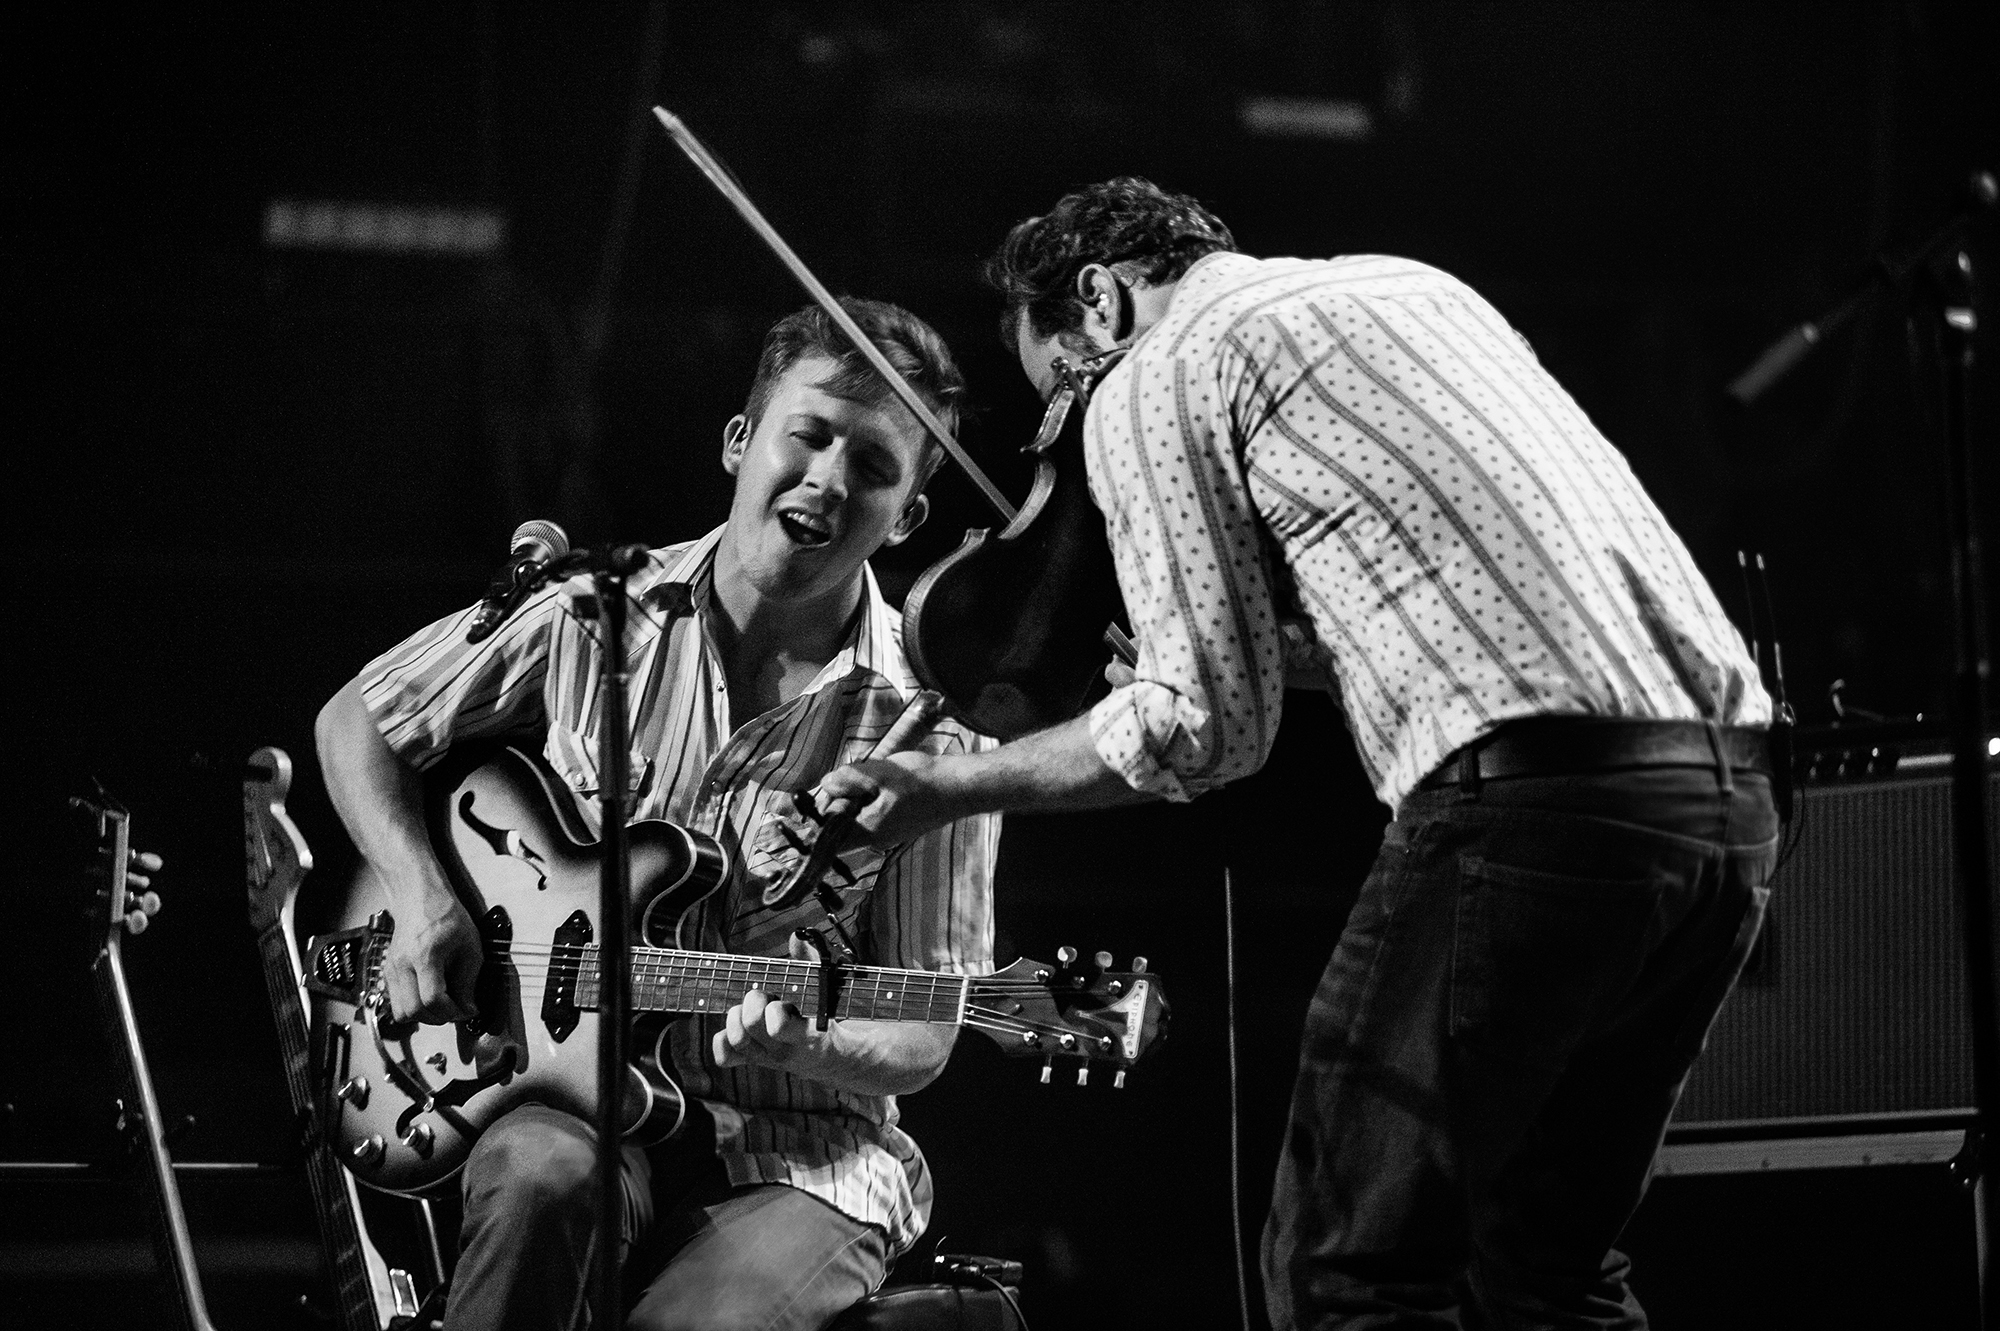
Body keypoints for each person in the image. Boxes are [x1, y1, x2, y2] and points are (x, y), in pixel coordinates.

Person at [816, 178, 1779, 1329]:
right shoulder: (1410, 288)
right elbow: (1447, 582)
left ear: (1099, 299)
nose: (1073, 423)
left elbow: (1198, 732)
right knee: (1545, 1271)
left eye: (1061, 384)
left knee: (1347, 1269)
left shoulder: (1158, 370)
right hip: (1726, 800)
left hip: (1531, 807)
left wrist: (942, 787)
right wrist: (1247, 642)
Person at [316, 297, 999, 1331]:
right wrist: (421, 899)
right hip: (563, 1099)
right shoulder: (592, 607)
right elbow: (356, 721)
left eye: (871, 465)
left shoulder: (936, 727)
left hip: (806, 1155)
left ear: (904, 515)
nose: (826, 480)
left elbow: (923, 1030)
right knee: (537, 1179)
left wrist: (804, 1038)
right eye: (807, 435)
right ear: (740, 441)